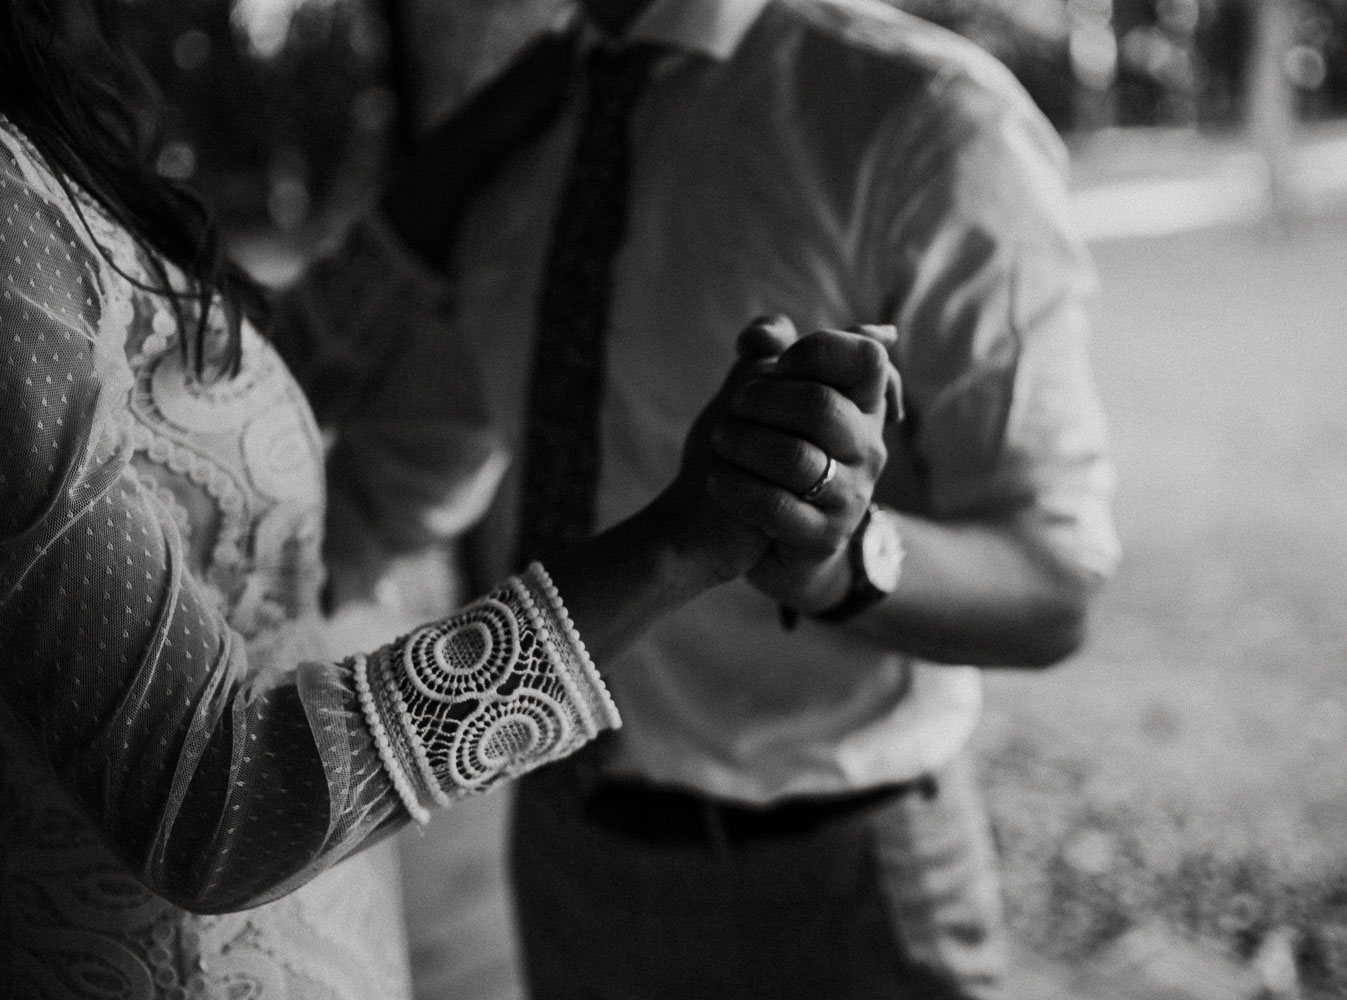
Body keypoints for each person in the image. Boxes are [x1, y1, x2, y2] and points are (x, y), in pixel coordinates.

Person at [0, 3, 896, 999]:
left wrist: (444, 179)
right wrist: (682, 542)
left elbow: (197, 393)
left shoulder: (35, 145)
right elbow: (212, 801)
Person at [421, 0, 1122, 996]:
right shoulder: (507, 149)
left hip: (844, 885)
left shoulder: (925, 116)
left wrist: (845, 559)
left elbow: (1057, 584)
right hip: (564, 859)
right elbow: (408, 468)